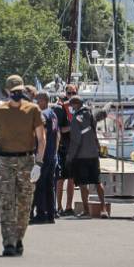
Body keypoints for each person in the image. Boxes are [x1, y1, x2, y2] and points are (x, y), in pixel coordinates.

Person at [0, 74, 46, 257]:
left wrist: (38, 163)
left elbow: (42, 138)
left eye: (20, 91)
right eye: (14, 91)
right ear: (8, 91)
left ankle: (18, 238)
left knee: (25, 204)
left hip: (27, 161)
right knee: (7, 203)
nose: (17, 94)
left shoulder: (32, 110)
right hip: (6, 162)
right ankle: (8, 242)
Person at [66, 95, 108, 219]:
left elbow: (75, 140)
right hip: (94, 153)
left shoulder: (75, 119)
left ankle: (86, 210)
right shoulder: (91, 113)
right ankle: (103, 209)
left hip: (81, 156)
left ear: (74, 105)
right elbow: (104, 113)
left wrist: (69, 157)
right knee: (97, 181)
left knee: (83, 184)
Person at [31, 91, 59, 224]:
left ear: (43, 101)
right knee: (49, 185)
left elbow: (42, 135)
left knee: (40, 185)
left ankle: (41, 213)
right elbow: (57, 135)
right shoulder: (53, 114)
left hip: (44, 154)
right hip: (52, 154)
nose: (36, 103)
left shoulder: (43, 115)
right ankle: (51, 213)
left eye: (37, 100)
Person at [54, 85, 76, 216]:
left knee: (72, 179)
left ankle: (69, 206)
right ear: (65, 93)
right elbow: (59, 129)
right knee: (60, 179)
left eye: (74, 93)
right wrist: (72, 127)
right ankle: (59, 206)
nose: (71, 95)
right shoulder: (60, 108)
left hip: (73, 148)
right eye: (69, 93)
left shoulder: (77, 108)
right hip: (62, 148)